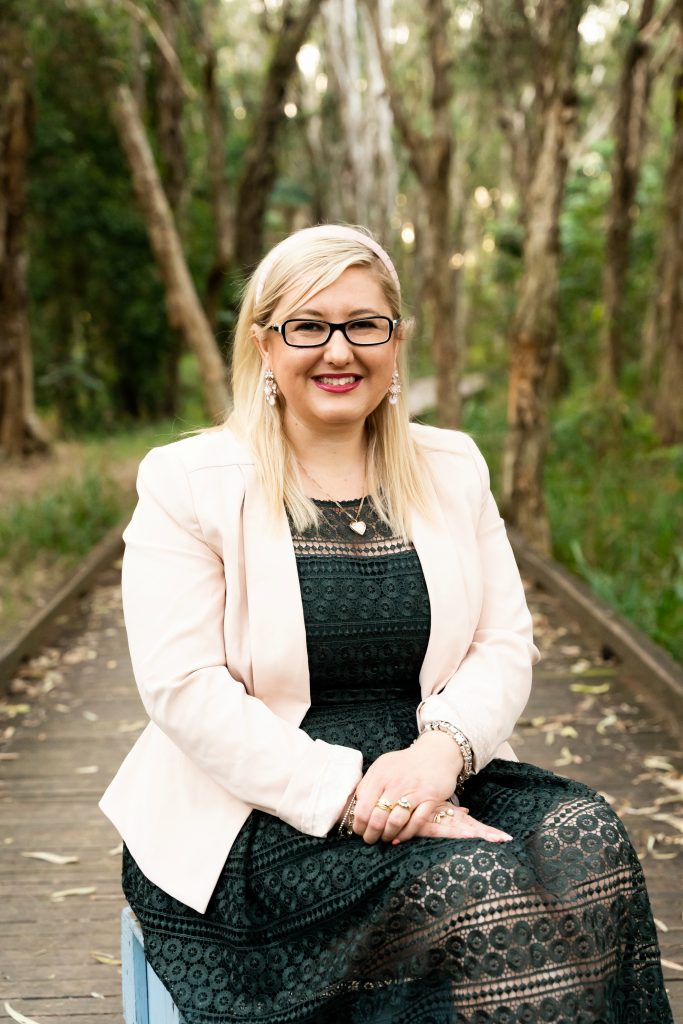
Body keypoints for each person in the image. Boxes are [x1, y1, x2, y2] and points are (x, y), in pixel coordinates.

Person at [100, 224, 672, 1024]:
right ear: (264, 345)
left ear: (395, 340)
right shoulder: (187, 481)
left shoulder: (452, 466)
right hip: (260, 812)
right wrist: (355, 794)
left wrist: (440, 757)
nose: (338, 351)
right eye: (308, 326)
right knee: (478, 890)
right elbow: (183, 686)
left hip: (436, 766)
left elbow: (502, 643)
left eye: (363, 325)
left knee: (589, 840)